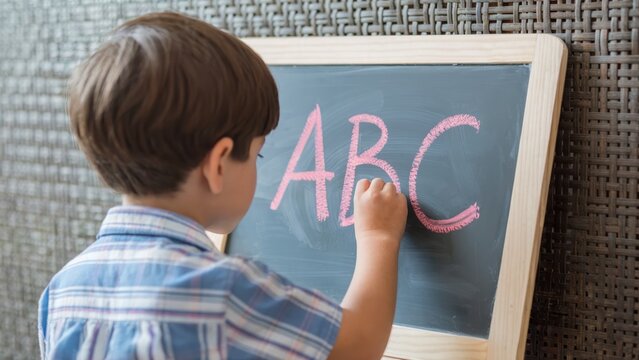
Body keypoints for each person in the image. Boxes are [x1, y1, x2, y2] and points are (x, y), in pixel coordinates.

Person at [38, 11, 407, 359]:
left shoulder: (63, 289)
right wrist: (378, 238)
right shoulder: (218, 290)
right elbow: (357, 346)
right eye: (257, 156)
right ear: (218, 164)